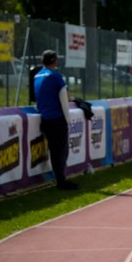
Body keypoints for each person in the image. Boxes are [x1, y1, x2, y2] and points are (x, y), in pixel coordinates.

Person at [33, 50, 79, 190]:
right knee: (61, 151)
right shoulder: (56, 76)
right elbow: (64, 98)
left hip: (45, 118)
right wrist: (68, 119)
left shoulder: (36, 76)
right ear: (55, 61)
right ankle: (61, 181)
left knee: (54, 151)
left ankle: (60, 179)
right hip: (57, 118)